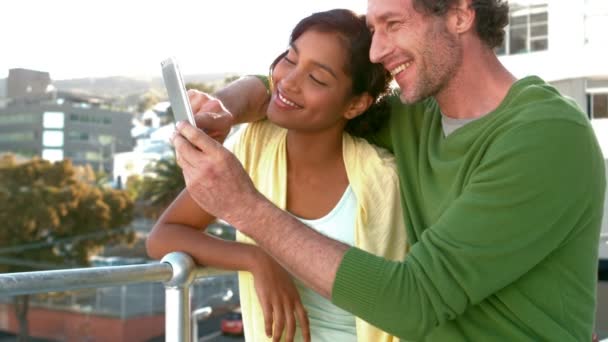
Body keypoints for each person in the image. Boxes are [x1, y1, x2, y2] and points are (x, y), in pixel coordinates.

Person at [172, 0, 606, 340]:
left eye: (393, 25)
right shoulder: (417, 117)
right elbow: (284, 89)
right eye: (375, 29)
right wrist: (224, 108)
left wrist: (245, 208)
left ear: (459, 14)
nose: (378, 50)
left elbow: (413, 302)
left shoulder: (545, 137)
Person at [149, 9, 406, 342]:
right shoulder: (255, 148)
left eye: (317, 78)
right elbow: (163, 237)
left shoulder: (385, 182)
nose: (289, 81)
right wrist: (255, 259)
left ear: (355, 105)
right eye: (290, 58)